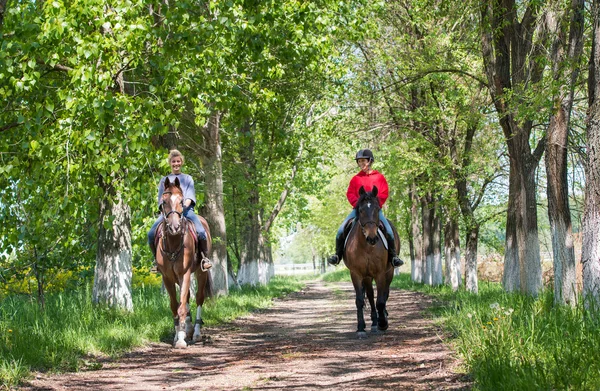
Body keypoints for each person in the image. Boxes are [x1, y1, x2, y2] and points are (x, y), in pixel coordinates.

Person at [327, 149, 403, 268]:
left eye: (363, 161)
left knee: (388, 230)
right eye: (359, 162)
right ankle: (337, 255)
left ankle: (394, 257)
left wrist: (376, 204)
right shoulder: (355, 179)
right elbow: (350, 193)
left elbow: (384, 193)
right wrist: (357, 204)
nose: (361, 164)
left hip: (374, 212)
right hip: (359, 211)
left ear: (370, 161)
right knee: (341, 230)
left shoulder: (379, 178)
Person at [148, 149, 212, 271]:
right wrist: (169, 209)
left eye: (178, 161)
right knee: (151, 234)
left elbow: (189, 197)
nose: (176, 164)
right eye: (173, 161)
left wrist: (181, 208)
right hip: (168, 213)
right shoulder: (164, 180)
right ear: (170, 163)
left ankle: (204, 258)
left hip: (186, 211)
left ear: (181, 162)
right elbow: (161, 200)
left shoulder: (188, 179)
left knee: (201, 232)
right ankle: (156, 261)